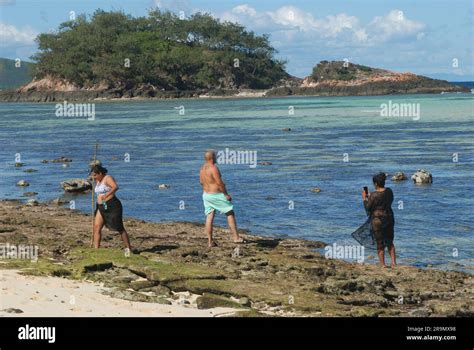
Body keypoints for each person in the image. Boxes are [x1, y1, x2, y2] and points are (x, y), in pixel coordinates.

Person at [199, 150, 244, 247]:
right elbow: (220, 183)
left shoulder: (202, 169)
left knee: (209, 216)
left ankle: (210, 241)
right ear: (211, 158)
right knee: (230, 212)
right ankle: (236, 238)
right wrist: (226, 194)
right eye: (215, 156)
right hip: (216, 195)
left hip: (206, 195)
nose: (216, 158)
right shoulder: (214, 168)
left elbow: (201, 182)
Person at [90, 165, 131, 252]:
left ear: (100, 173)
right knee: (96, 227)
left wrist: (106, 195)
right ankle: (96, 250)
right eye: (92, 175)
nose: (93, 177)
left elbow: (115, 187)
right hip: (101, 206)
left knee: (119, 227)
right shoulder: (97, 181)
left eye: (95, 175)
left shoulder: (107, 178)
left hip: (112, 205)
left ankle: (128, 248)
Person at [362, 172, 396, 267]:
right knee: (390, 241)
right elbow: (387, 201)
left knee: (380, 243)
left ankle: (383, 264)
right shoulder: (389, 191)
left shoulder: (373, 195)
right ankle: (394, 263)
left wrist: (365, 199)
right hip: (389, 217)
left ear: (376, 183)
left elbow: (368, 208)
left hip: (378, 220)